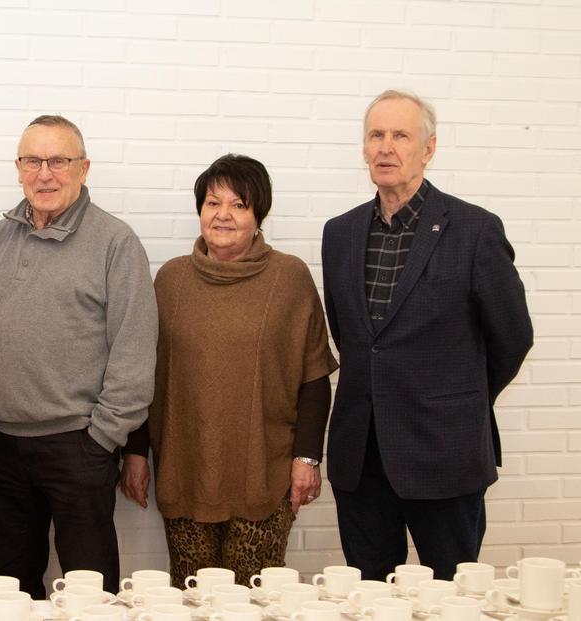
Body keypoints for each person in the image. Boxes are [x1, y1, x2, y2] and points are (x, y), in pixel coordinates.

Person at [321, 90, 533, 581]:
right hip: (361, 458)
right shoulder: (339, 234)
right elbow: (352, 338)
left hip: (445, 452)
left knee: (454, 595)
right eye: (376, 135)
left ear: (428, 148)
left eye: (401, 135)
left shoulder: (475, 231)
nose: (385, 147)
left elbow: (512, 338)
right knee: (369, 598)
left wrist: (457, 399)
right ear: (363, 147)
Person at [0, 115, 157, 599]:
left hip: (78, 447)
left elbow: (134, 353)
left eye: (58, 161)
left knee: (90, 596)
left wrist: (102, 439)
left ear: (83, 168)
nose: (44, 174)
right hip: (1, 449)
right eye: (32, 161)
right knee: (5, 594)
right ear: (18, 168)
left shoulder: (116, 243)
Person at [120, 154, 339, 587]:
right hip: (186, 470)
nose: (223, 215)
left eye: (239, 204)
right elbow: (145, 376)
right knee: (192, 596)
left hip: (265, 473)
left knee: (253, 600)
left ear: (259, 216)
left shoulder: (289, 278)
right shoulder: (171, 281)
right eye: (212, 202)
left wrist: (307, 458)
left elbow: (314, 377)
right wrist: (135, 452)